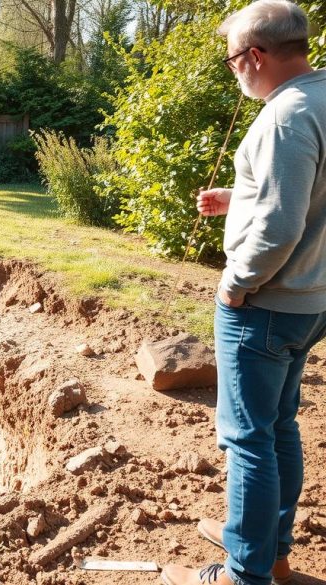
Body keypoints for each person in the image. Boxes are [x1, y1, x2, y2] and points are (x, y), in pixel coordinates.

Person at [161, 2, 326, 585]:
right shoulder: (323, 99)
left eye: (233, 61)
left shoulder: (286, 115)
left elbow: (280, 229)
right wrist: (241, 197)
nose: (234, 72)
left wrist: (235, 285)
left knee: (249, 441)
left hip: (266, 303)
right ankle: (269, 555)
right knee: (278, 428)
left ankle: (243, 574)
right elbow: (306, 197)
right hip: (311, 301)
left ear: (255, 56)